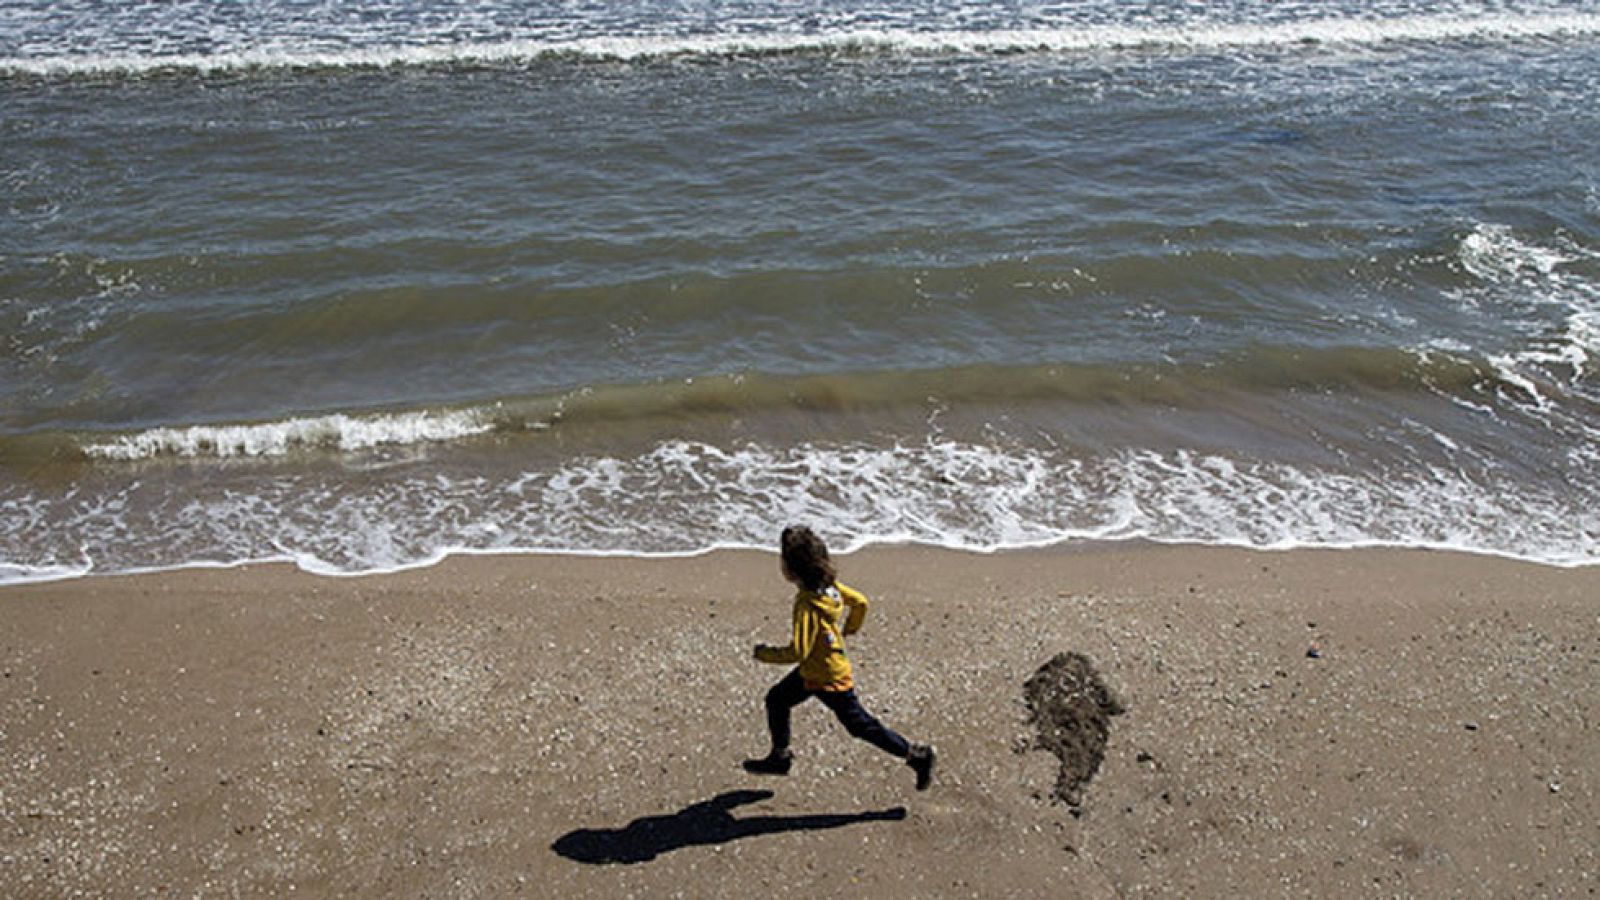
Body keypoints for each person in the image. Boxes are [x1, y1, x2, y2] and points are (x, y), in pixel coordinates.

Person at [744, 525, 936, 791]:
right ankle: (780, 757)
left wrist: (764, 654)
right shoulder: (829, 588)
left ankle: (917, 755)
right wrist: (850, 628)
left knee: (860, 726)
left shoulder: (807, 604)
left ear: (790, 570)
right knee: (777, 699)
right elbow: (860, 602)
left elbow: (798, 651)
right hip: (815, 671)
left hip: (827, 677)